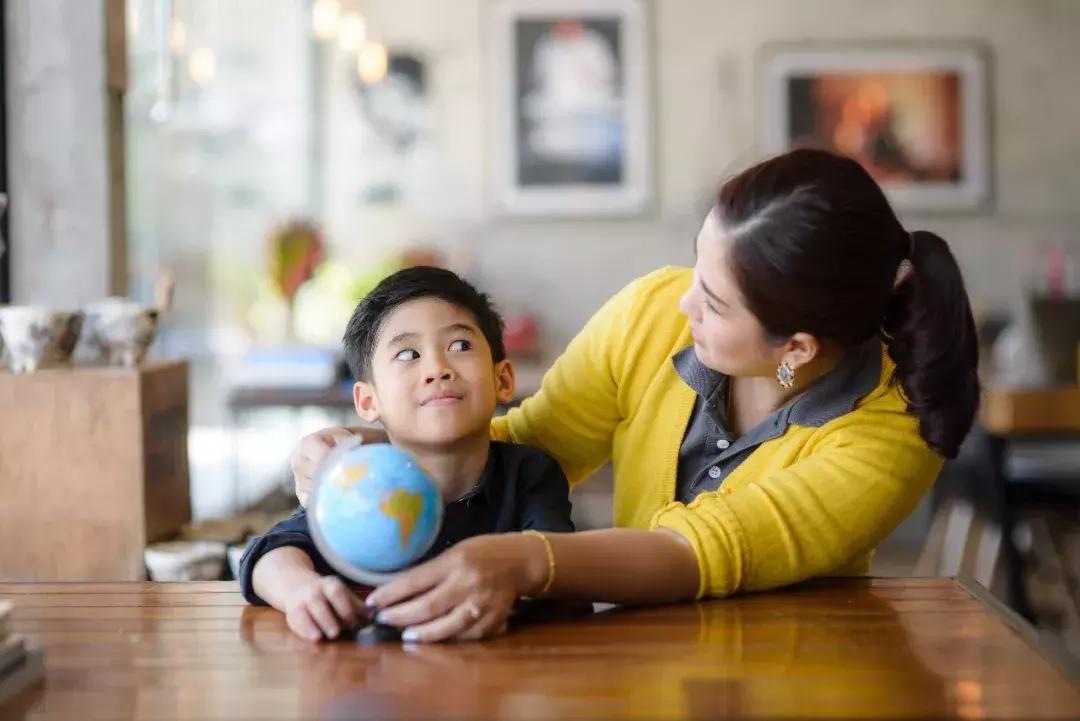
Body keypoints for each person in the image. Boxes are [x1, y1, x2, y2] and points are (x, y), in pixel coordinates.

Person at [292, 149, 980, 643]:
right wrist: (370, 459)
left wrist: (526, 559)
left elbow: (702, 551)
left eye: (712, 300)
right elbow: (533, 443)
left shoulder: (890, 430)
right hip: (639, 653)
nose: (682, 302)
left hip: (800, 666)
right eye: (696, 265)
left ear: (794, 347)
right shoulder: (655, 310)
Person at [239, 266, 574, 642]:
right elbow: (268, 553)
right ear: (368, 401)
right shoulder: (362, 481)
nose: (437, 369)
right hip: (373, 677)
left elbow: (560, 570)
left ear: (503, 380)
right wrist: (301, 591)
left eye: (460, 346)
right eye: (408, 353)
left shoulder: (530, 473)